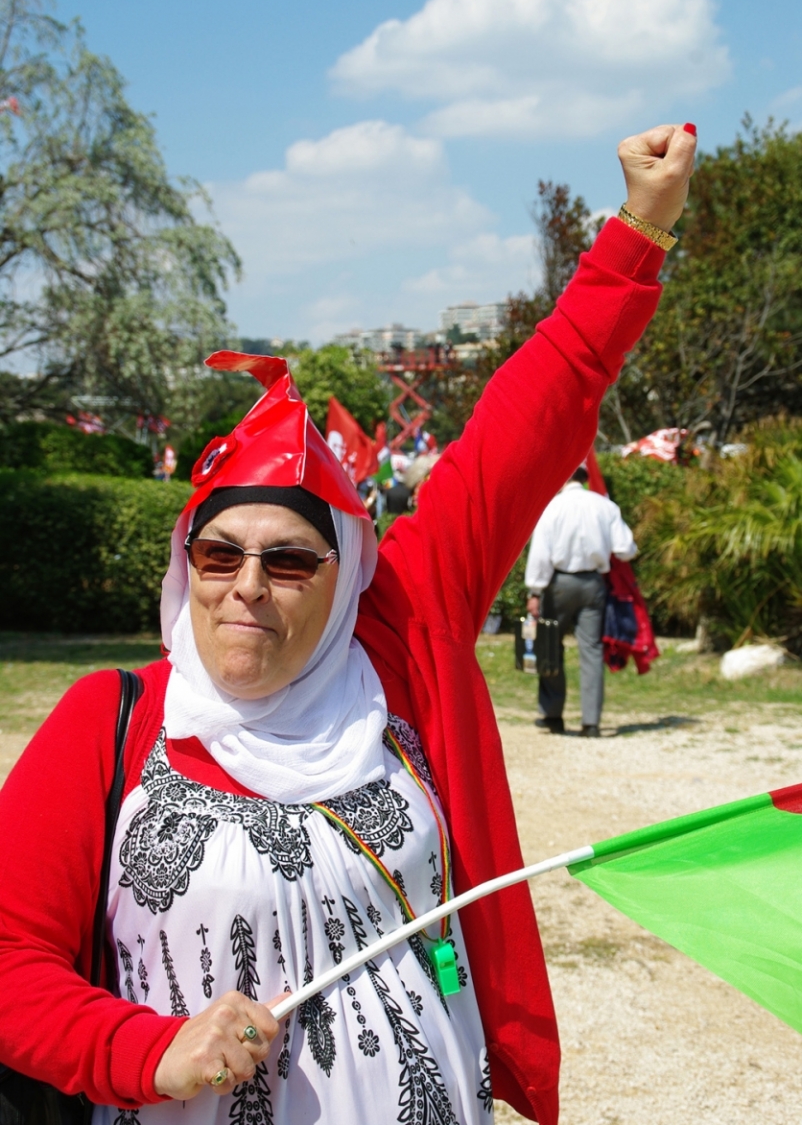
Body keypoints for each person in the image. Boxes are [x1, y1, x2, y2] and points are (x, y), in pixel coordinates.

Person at [0, 122, 696, 1124]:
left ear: (347, 577)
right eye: (218, 553)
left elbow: (531, 414)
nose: (248, 585)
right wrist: (146, 1050)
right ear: (184, 566)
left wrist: (639, 227)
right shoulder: (108, 722)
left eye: (289, 560)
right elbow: (10, 962)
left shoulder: (398, 642)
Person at [525, 467, 638, 737]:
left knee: (551, 646)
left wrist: (534, 591)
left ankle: (553, 715)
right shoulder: (605, 506)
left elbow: (540, 553)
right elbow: (626, 548)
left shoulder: (552, 507)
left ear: (564, 478)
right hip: (593, 584)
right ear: (585, 480)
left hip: (560, 584)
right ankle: (591, 722)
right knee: (591, 650)